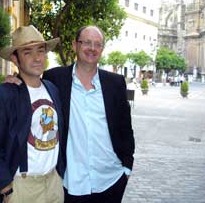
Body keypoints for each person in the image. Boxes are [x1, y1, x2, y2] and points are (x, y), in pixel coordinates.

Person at [7, 25, 135, 203]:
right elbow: (32, 85)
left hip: (110, 179)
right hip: (71, 182)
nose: (92, 48)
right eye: (86, 43)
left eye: (97, 44)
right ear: (75, 45)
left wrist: (127, 168)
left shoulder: (115, 83)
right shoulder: (55, 78)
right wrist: (15, 80)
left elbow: (125, 129)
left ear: (102, 49)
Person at [0, 25, 65, 203]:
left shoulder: (52, 89)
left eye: (40, 51)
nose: (36, 58)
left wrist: (60, 175)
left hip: (54, 183)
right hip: (22, 187)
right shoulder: (3, 94)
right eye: (27, 52)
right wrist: (6, 188)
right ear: (15, 59)